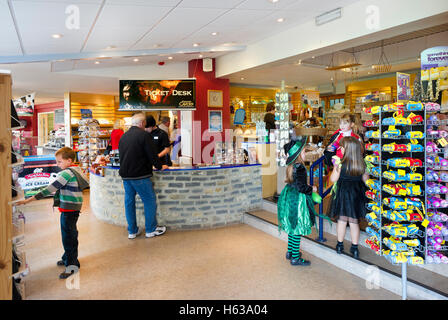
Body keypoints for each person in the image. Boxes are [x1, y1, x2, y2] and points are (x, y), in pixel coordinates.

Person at [16, 147, 89, 279]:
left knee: (69, 238)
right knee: (70, 234)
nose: (57, 164)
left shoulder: (66, 174)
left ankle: (72, 266)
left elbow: (49, 189)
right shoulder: (75, 170)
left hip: (69, 210)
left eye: (59, 162)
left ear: (69, 160)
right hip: (73, 208)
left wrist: (29, 200)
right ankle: (67, 257)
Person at [119, 112, 168, 239]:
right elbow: (152, 156)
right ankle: (151, 230)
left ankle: (132, 231)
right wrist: (159, 166)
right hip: (140, 175)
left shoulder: (124, 136)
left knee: (129, 203)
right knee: (149, 201)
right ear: (141, 123)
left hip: (125, 176)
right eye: (145, 124)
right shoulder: (144, 136)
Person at [277, 136, 318, 266]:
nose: (305, 153)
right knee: (297, 228)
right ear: (298, 154)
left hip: (290, 197)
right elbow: (301, 187)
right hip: (297, 201)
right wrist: (312, 189)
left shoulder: (292, 166)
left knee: (291, 226)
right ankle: (295, 257)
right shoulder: (299, 167)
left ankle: (290, 252)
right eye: (304, 151)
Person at [327, 136, 369, 259]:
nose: (340, 148)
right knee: (354, 221)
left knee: (342, 220)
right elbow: (366, 181)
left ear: (348, 149)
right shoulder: (362, 164)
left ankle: (339, 245)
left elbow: (333, 179)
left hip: (343, 194)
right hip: (356, 194)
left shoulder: (340, 164)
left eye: (342, 147)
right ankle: (354, 248)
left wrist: (335, 168)